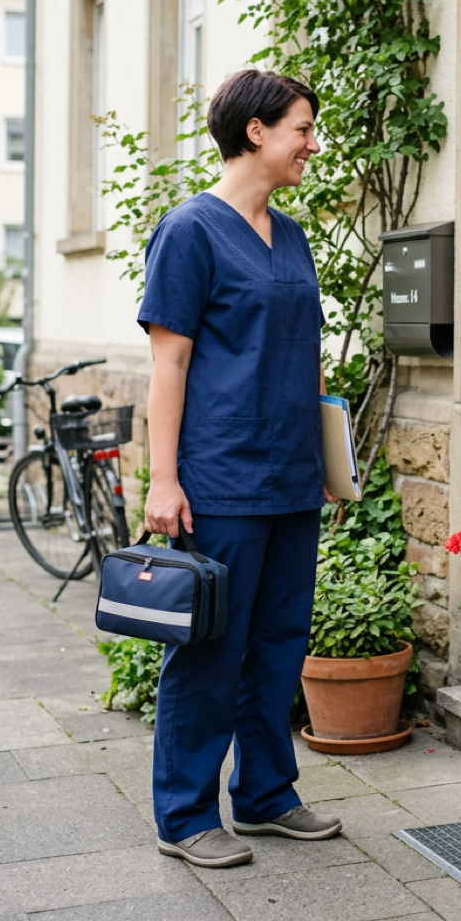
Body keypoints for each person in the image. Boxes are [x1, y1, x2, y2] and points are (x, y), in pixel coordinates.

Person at [139, 68, 342, 866]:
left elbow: (309, 357)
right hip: (220, 478)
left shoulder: (290, 236)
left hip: (292, 476)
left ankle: (264, 795)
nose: (312, 143)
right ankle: (186, 815)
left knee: (280, 642)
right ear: (256, 131)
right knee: (210, 648)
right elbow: (169, 364)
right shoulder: (189, 231)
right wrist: (163, 479)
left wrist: (328, 460)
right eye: (302, 128)